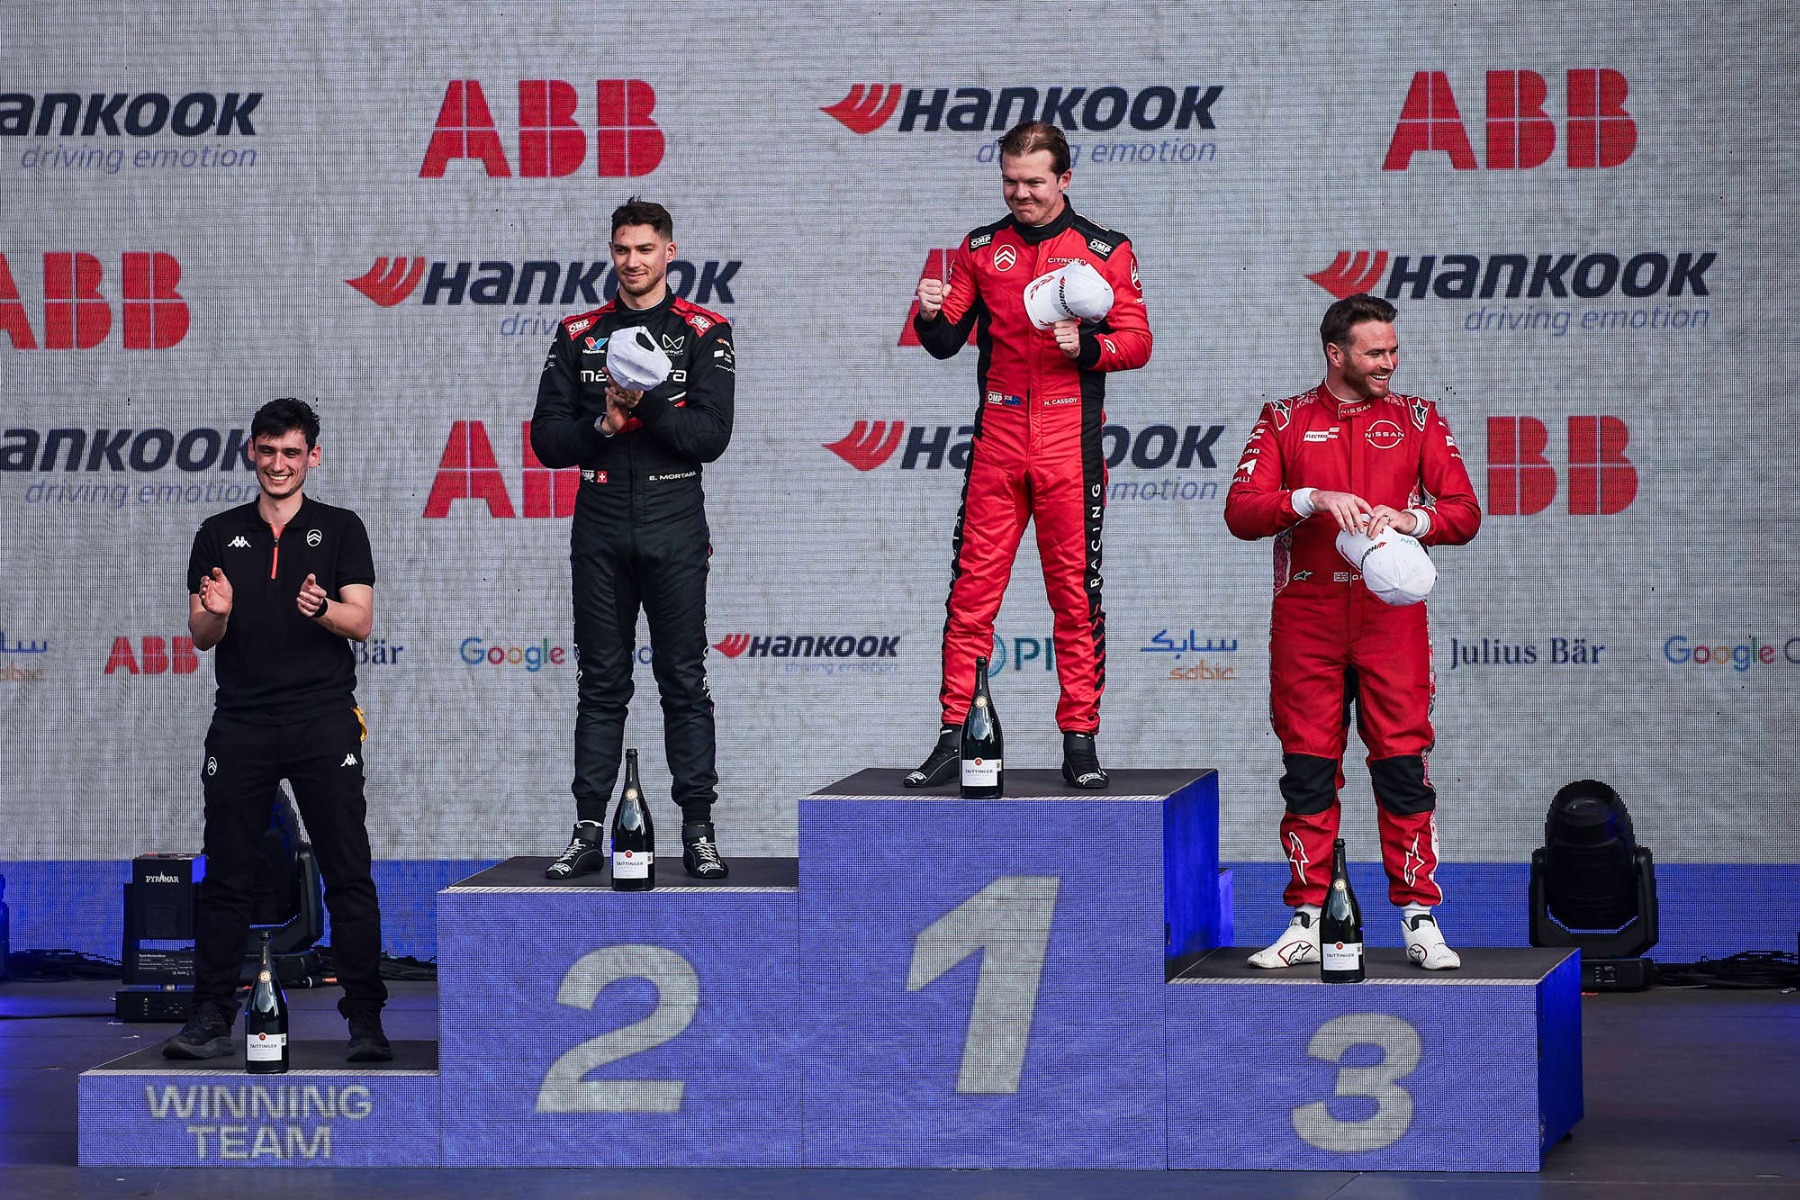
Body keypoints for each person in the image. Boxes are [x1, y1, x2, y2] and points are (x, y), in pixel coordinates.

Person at [1223, 294, 1482, 971]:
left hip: (1389, 620)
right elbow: (1241, 512)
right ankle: (1308, 919)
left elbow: (1464, 511)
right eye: (1375, 353)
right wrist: (1310, 498)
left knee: (1403, 768)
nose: (1389, 363)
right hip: (1307, 616)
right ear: (1336, 353)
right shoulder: (1283, 418)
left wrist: (1410, 520)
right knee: (1309, 771)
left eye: (1393, 350)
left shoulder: (1418, 417)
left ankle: (1419, 919)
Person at [905, 120, 1152, 791]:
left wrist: (1089, 348)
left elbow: (1137, 341)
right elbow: (944, 340)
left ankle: (1079, 740)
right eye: (1011, 182)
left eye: (1034, 183)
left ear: (1064, 179)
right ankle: (954, 734)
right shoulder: (981, 248)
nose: (1021, 194)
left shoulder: (1105, 249)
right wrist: (927, 312)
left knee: (1074, 596)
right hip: (999, 439)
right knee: (970, 595)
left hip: (1070, 442)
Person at [163, 398, 391, 1061]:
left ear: (312, 457)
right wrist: (217, 611)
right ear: (252, 453)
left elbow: (361, 622)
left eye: (292, 452)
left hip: (322, 720)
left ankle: (366, 1021)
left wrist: (323, 609)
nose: (279, 464)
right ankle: (210, 1017)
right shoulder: (218, 532)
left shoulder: (341, 527)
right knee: (228, 877)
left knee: (348, 873)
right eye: (268, 451)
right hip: (242, 722)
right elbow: (201, 634)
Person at [531, 197, 734, 881]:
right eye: (622, 249)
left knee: (683, 680)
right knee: (601, 684)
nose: (632, 261)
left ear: (669, 252)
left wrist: (646, 402)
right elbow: (546, 440)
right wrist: (603, 427)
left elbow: (710, 436)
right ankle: (588, 831)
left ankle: (698, 831)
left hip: (675, 520)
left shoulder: (703, 330)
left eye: (645, 249)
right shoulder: (579, 332)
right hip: (600, 523)